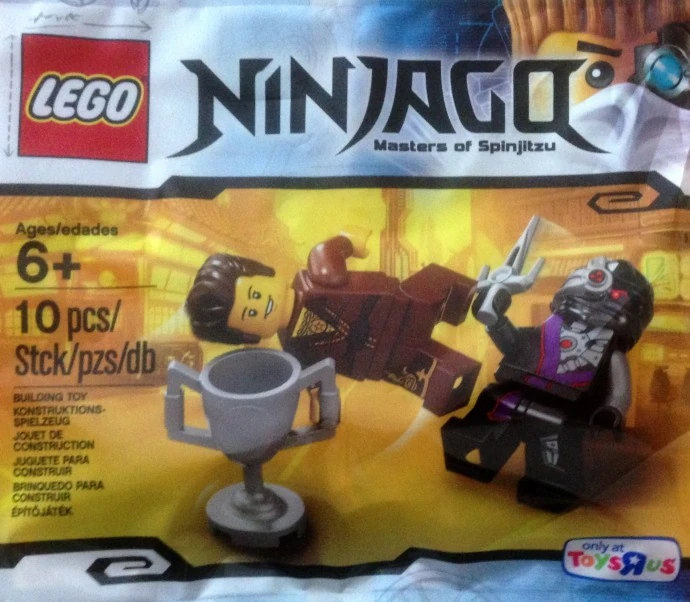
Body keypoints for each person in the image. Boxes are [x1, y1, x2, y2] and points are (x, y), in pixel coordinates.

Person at [186, 233, 480, 416]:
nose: (261, 305)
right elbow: (317, 381)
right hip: (391, 362)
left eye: (254, 293)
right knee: (446, 376)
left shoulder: (318, 276)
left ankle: (482, 298)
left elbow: (330, 250)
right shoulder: (295, 351)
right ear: (250, 335)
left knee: (443, 284)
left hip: (406, 307)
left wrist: (348, 242)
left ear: (263, 274)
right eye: (249, 313)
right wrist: (323, 408)